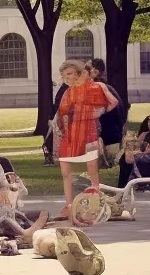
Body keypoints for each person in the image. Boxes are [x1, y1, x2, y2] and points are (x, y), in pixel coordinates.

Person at [54, 59, 118, 220]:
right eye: (63, 76)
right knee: (65, 171)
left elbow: (112, 102)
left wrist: (97, 113)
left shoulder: (96, 87)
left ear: (78, 73)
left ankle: (96, 202)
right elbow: (62, 114)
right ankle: (68, 205)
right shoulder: (68, 92)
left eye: (69, 74)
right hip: (70, 134)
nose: (66, 78)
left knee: (92, 168)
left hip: (88, 132)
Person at [88, 59, 127, 168]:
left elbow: (113, 105)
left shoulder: (99, 88)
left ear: (95, 71)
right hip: (113, 134)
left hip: (108, 134)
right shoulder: (107, 88)